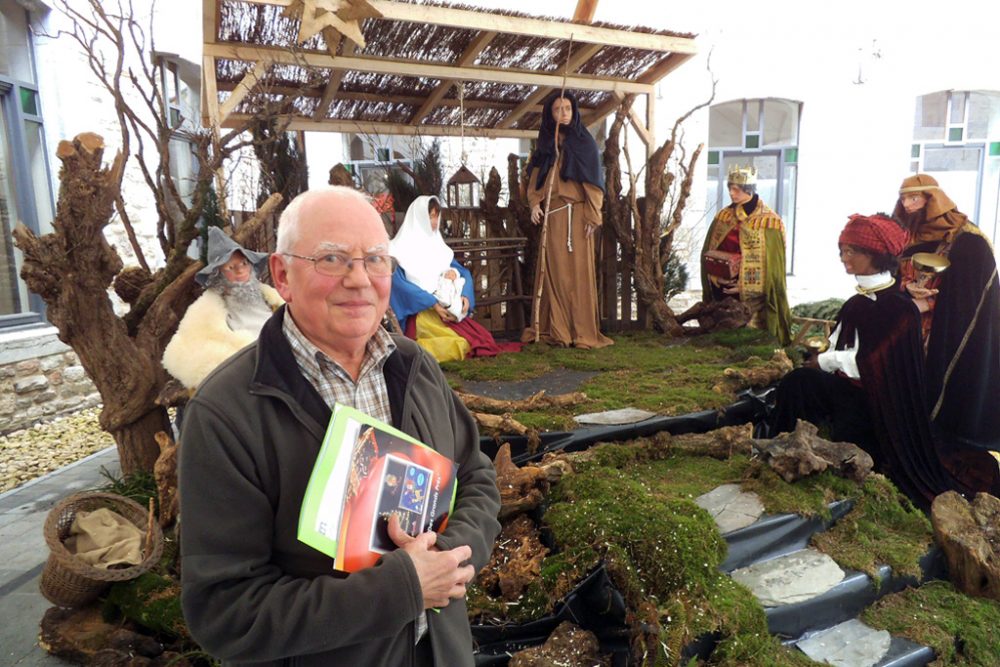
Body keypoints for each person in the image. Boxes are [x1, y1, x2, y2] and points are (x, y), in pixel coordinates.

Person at [178, 186, 502, 666]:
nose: (360, 279)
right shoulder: (226, 413)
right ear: (283, 275)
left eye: (376, 259)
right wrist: (401, 587)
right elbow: (226, 611)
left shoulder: (415, 367)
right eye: (332, 259)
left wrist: (447, 558)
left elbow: (475, 475)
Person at [767, 213, 999, 508]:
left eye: (851, 251)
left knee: (806, 386)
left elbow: (871, 361)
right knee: (797, 383)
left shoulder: (894, 307)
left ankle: (807, 458)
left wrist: (824, 362)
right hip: (850, 391)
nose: (843, 258)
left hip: (876, 408)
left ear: (875, 255)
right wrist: (824, 360)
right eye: (842, 250)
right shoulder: (865, 301)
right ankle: (784, 446)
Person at [893, 173, 1000, 456]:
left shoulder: (968, 241)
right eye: (903, 198)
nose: (907, 205)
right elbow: (893, 279)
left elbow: (969, 299)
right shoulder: (906, 234)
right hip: (910, 327)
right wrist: (905, 291)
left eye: (914, 198)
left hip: (944, 331)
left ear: (932, 200)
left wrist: (934, 306)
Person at [521, 90, 613, 349]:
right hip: (553, 217)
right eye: (557, 109)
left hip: (578, 217)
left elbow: (593, 182)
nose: (562, 114)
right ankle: (556, 329)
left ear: (574, 111)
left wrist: (593, 214)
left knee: (578, 274)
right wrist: (534, 203)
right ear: (549, 114)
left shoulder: (584, 144)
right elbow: (536, 178)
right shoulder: (546, 145)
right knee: (555, 274)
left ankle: (580, 331)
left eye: (567, 109)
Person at [389, 195, 519, 363]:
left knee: (480, 339)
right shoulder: (398, 250)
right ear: (419, 217)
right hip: (421, 314)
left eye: (437, 216)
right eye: (430, 216)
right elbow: (399, 286)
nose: (435, 222)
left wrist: (465, 296)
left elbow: (462, 272)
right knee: (458, 344)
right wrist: (432, 303)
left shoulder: (438, 248)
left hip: (447, 311)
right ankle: (416, 353)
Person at [162, 226, 283, 391]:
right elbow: (184, 357)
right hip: (245, 385)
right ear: (217, 275)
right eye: (231, 268)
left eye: (244, 263)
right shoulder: (205, 313)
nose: (241, 271)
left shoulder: (275, 301)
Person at [700, 164, 792, 345]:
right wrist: (717, 278)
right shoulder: (723, 217)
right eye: (730, 189)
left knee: (749, 343)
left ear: (748, 190)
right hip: (722, 291)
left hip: (753, 300)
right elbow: (709, 253)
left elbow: (774, 268)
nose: (732, 194)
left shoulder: (770, 222)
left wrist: (745, 286)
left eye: (736, 189)